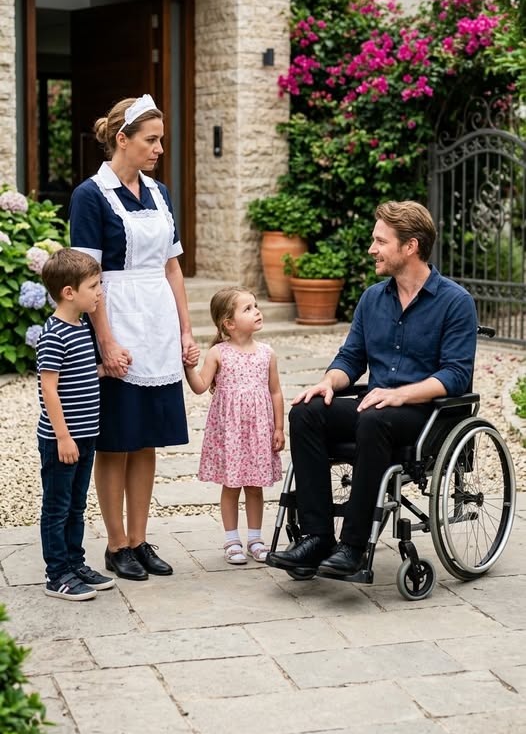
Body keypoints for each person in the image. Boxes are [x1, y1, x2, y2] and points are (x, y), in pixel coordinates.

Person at [266, 200, 478, 580]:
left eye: (380, 241)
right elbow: (351, 358)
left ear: (410, 246)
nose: (372, 249)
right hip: (375, 408)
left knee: (373, 417)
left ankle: (354, 545)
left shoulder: (455, 302)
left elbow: (456, 375)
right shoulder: (372, 298)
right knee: (306, 412)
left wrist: (401, 394)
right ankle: (316, 537)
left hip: (425, 413)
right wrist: (328, 382)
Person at [69, 94, 197, 581]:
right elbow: (88, 273)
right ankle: (116, 543)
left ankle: (140, 540)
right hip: (117, 319)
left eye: (160, 140)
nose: (160, 148)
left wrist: (185, 330)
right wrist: (105, 341)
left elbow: (173, 266)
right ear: (121, 140)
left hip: (158, 323)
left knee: (147, 440)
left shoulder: (160, 194)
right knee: (116, 441)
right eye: (152, 140)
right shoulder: (90, 195)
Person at [185, 286, 285, 563]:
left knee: (255, 486)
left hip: (258, 431)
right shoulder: (218, 353)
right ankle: (231, 541)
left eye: (255, 306)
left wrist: (279, 427)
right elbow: (200, 386)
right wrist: (188, 368)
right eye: (248, 308)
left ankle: (255, 538)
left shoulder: (267, 353)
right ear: (228, 323)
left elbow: (275, 391)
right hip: (230, 433)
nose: (257, 311)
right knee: (231, 485)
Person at [37, 248, 115, 600]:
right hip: (63, 440)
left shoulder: (80, 326)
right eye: (94, 286)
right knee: (57, 507)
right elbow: (49, 390)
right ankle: (57, 575)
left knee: (77, 504)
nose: (100, 292)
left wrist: (105, 369)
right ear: (69, 292)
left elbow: (79, 375)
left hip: (86, 436)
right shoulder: (54, 334)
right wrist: (63, 437)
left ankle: (74, 562)